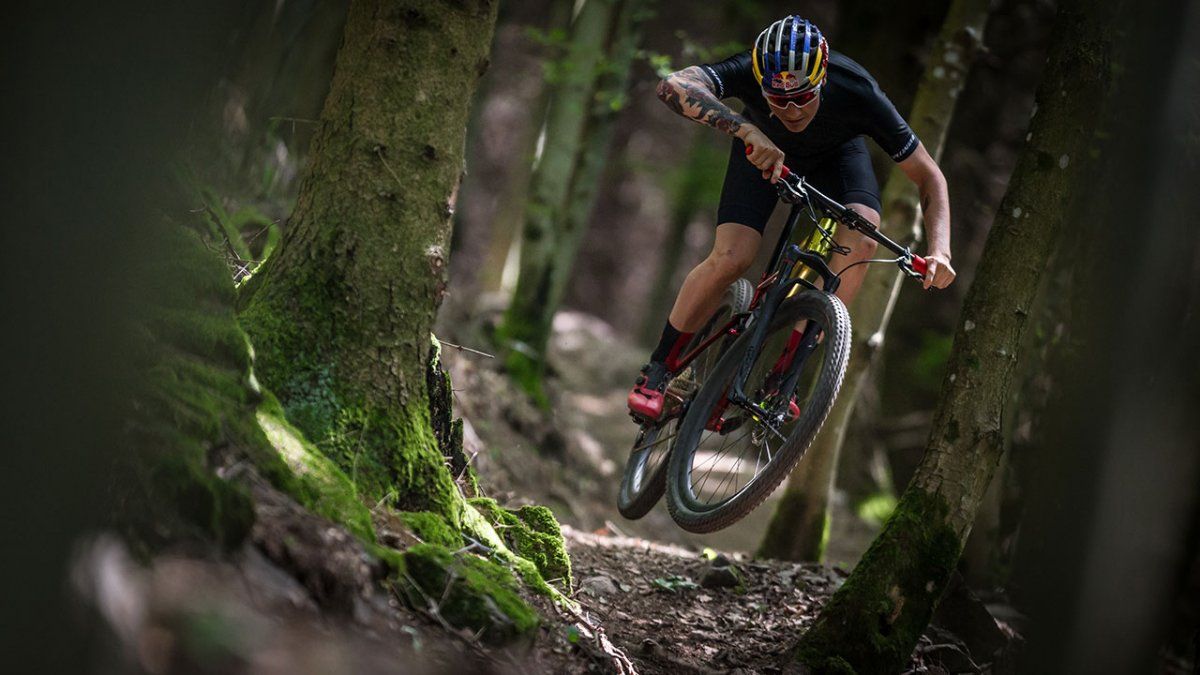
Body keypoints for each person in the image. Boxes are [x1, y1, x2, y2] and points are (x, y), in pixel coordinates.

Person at [628, 15, 957, 420]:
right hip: (761, 150)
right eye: (778, 99)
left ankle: (784, 375)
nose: (792, 109)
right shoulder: (751, 69)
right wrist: (745, 130)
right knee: (733, 257)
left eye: (803, 96)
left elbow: (929, 175)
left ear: (822, 79)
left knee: (863, 237)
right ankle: (658, 370)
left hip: (837, 157)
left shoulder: (856, 88)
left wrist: (940, 250)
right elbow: (673, 84)